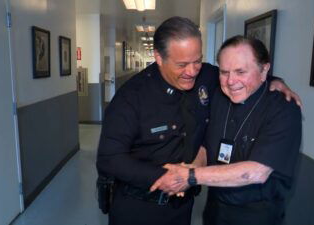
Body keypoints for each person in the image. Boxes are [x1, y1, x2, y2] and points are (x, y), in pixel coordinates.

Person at [97, 17, 300, 225]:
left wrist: (276, 81)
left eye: (197, 61)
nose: (192, 71)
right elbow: (108, 158)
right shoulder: (131, 97)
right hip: (138, 209)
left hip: (183, 208)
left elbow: (245, 73)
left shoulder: (208, 77)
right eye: (182, 64)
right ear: (158, 57)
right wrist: (165, 177)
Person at [150, 35, 302, 225]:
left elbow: (257, 172)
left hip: (256, 215)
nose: (231, 81)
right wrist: (192, 166)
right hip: (215, 209)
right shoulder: (219, 98)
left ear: (264, 71)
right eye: (224, 72)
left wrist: (190, 176)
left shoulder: (283, 109)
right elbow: (206, 146)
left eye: (240, 71)